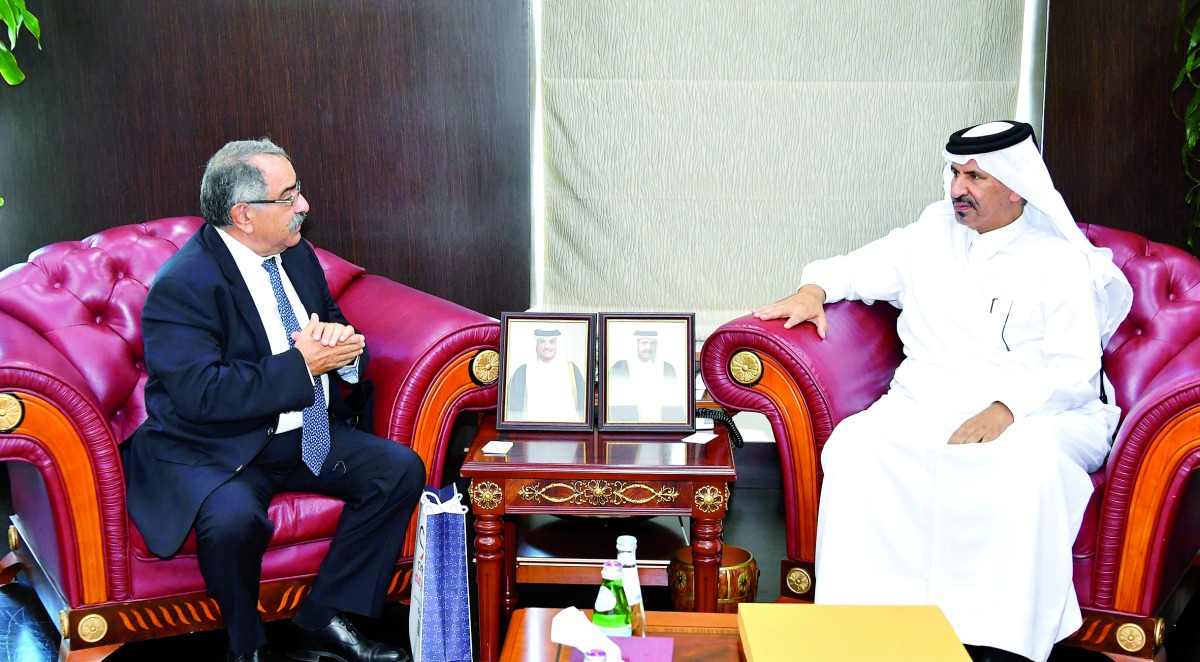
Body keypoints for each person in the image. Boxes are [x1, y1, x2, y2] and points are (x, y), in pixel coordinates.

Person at [751, 121, 1132, 662]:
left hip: (1041, 412)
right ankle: (861, 635)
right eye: (955, 172)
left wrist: (1005, 410)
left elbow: (1073, 370)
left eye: (975, 176)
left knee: (1028, 470)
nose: (958, 189)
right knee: (859, 449)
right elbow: (853, 270)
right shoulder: (929, 235)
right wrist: (813, 291)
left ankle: (1002, 643)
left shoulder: (1058, 260)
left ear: (1015, 186)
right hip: (925, 402)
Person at [122, 139, 424, 662]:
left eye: (299, 190)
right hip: (224, 448)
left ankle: (321, 618)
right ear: (243, 215)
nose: (303, 206)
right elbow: (201, 393)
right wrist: (303, 365)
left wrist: (348, 354)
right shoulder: (183, 286)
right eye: (289, 196)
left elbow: (333, 327)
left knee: (398, 470)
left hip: (306, 434)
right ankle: (247, 648)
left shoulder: (296, 255)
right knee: (235, 523)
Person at [504, 328, 588, 422]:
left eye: (552, 342)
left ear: (557, 345)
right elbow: (514, 410)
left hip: (569, 431)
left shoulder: (572, 370)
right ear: (536, 344)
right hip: (531, 431)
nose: (547, 346)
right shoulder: (522, 372)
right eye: (542, 342)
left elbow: (583, 405)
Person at [606, 330, 686, 423]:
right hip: (630, 431)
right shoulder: (620, 368)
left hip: (661, 430)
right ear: (635, 344)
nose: (648, 347)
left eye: (653, 343)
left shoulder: (667, 368)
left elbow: (674, 404)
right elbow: (615, 405)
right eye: (644, 343)